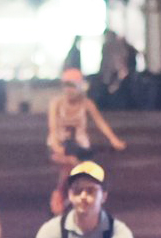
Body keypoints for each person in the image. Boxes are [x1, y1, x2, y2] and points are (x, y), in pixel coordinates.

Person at [46, 70, 125, 213]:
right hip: (61, 145)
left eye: (72, 86)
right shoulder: (56, 103)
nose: (69, 90)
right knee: (69, 164)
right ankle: (60, 193)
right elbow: (52, 127)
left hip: (80, 147)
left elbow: (101, 123)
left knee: (81, 170)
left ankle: (72, 196)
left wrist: (113, 140)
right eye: (66, 85)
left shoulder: (86, 104)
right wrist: (56, 145)